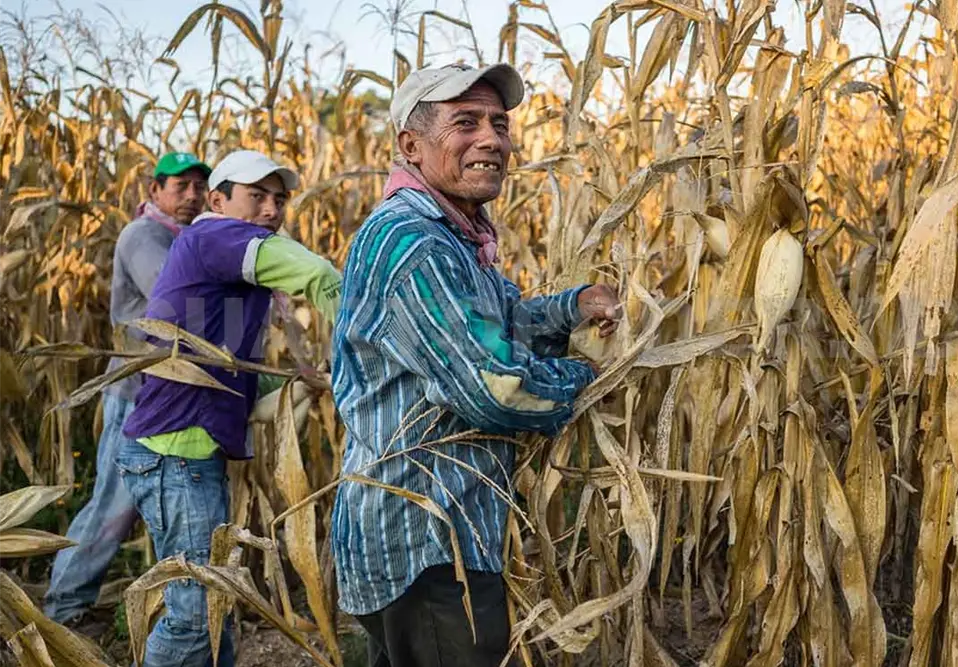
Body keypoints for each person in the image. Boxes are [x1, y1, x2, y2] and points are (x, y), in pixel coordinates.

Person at [331, 63, 621, 667]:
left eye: (499, 123)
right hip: (424, 540)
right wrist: (593, 380)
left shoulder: (456, 238)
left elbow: (500, 325)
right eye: (466, 123)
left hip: (441, 533)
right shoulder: (411, 244)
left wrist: (576, 306)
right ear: (410, 145)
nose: (492, 138)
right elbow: (494, 386)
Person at [116, 149, 342, 667]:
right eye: (256, 196)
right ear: (217, 201)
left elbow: (245, 396)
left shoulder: (227, 275)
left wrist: (303, 386)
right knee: (195, 615)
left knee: (214, 605)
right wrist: (366, 340)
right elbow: (320, 276)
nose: (271, 209)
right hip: (176, 458)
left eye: (279, 199)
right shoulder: (214, 236)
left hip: (185, 458)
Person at [44, 152, 211, 635]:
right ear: (155, 189)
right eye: (181, 186)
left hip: (173, 393)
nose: (192, 196)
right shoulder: (145, 235)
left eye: (200, 187)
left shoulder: (188, 239)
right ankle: (64, 610)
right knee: (115, 505)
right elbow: (173, 296)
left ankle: (168, 610)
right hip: (136, 391)